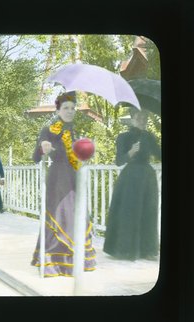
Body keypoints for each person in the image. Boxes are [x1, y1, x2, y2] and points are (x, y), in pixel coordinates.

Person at [30, 92, 96, 277]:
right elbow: (35, 157)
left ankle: (75, 261)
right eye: (66, 108)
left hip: (75, 178)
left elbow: (76, 153)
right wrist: (43, 148)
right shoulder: (49, 129)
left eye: (73, 108)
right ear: (58, 109)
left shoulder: (74, 129)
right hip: (58, 179)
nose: (70, 111)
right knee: (61, 216)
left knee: (78, 216)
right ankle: (55, 263)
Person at [103, 108, 161, 261]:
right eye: (139, 117)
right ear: (133, 118)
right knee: (129, 212)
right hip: (130, 178)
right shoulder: (124, 137)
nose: (143, 120)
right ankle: (126, 250)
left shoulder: (149, 137)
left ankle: (147, 250)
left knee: (148, 211)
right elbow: (118, 161)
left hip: (147, 178)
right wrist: (131, 152)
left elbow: (159, 155)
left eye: (145, 117)